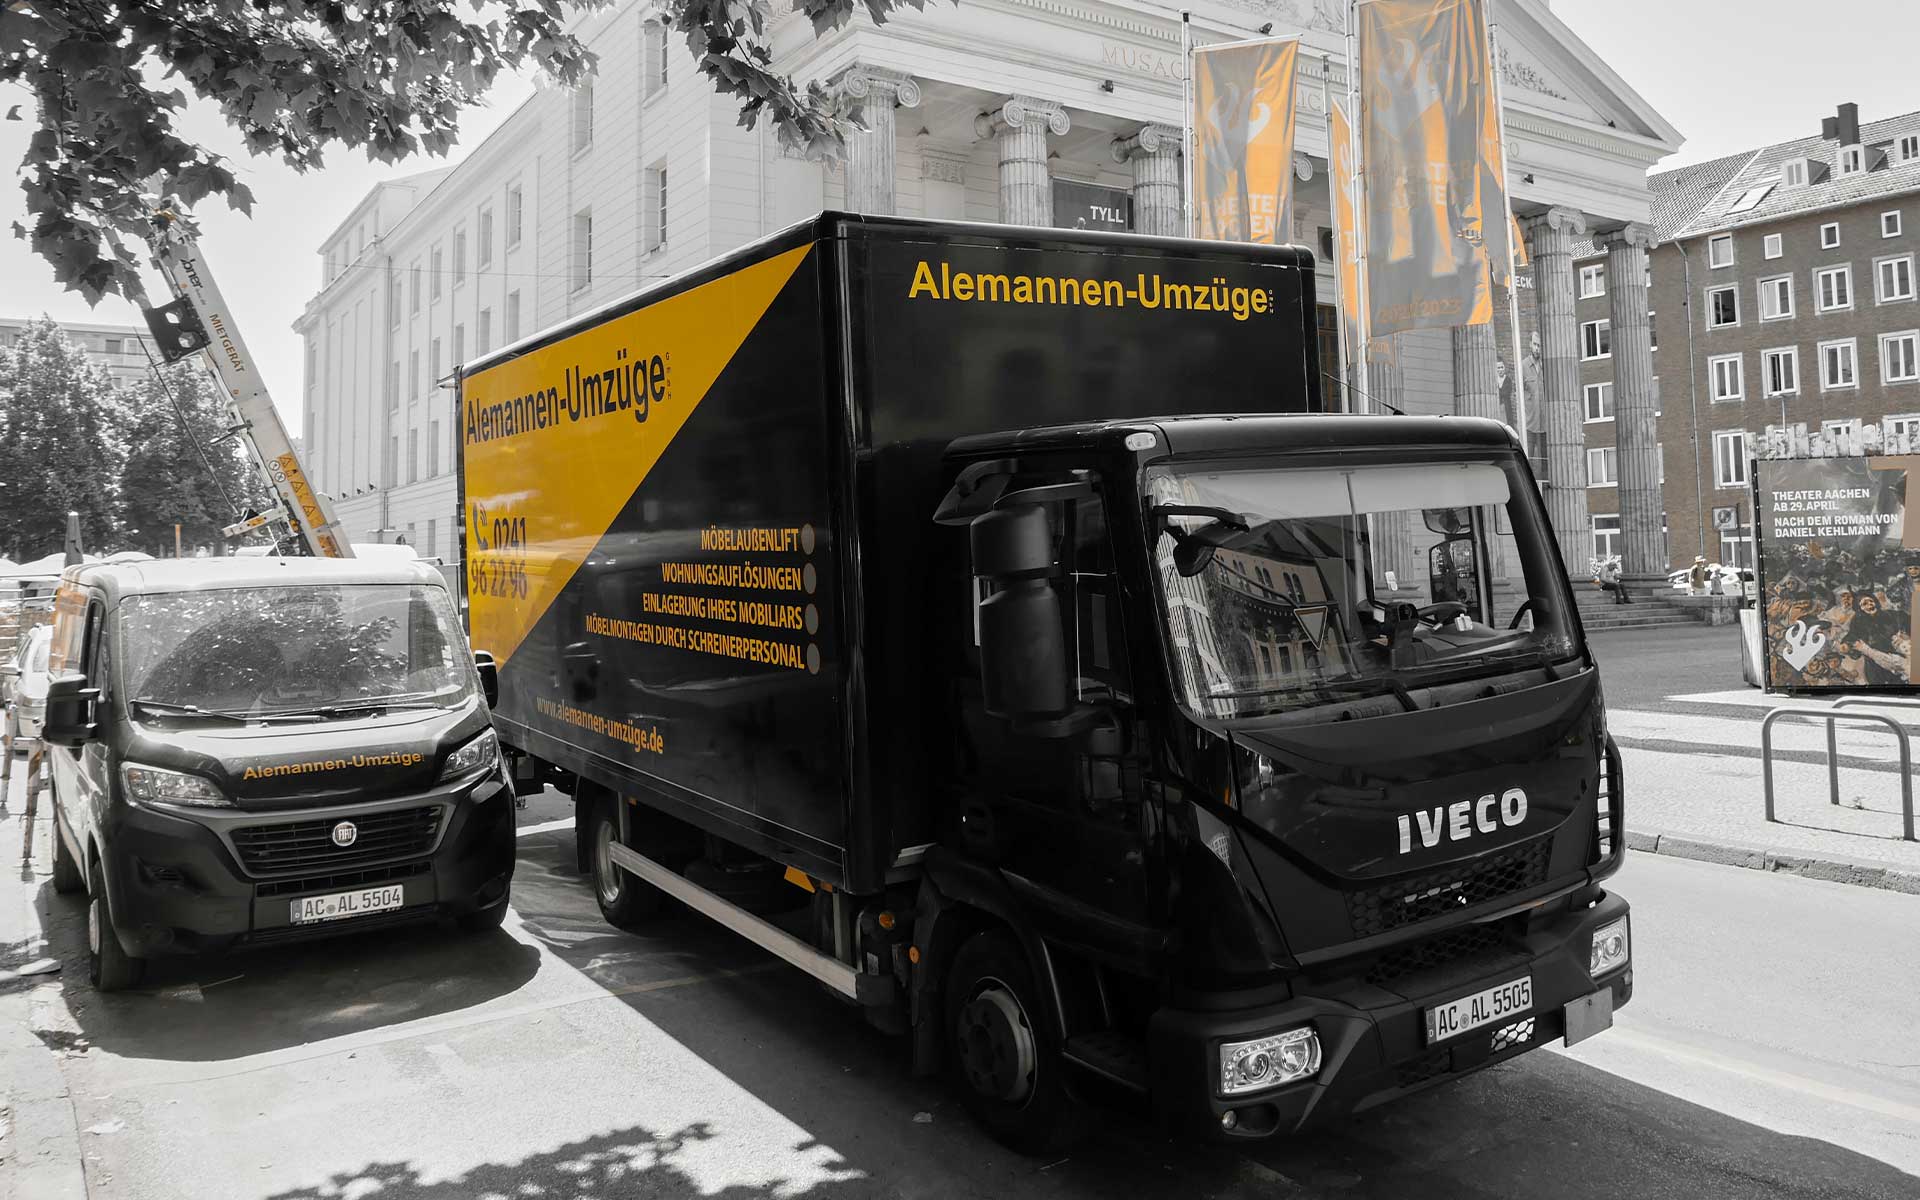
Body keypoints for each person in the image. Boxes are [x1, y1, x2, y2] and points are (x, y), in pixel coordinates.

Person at [1839, 592, 1909, 686]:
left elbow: (1908, 623)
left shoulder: (1891, 615)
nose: (1870, 604)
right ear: (1860, 608)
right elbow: (1852, 636)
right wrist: (1846, 645)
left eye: (1871, 601)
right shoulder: (1857, 623)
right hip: (1875, 665)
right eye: (1865, 604)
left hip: (1897, 657)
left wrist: (1905, 636)